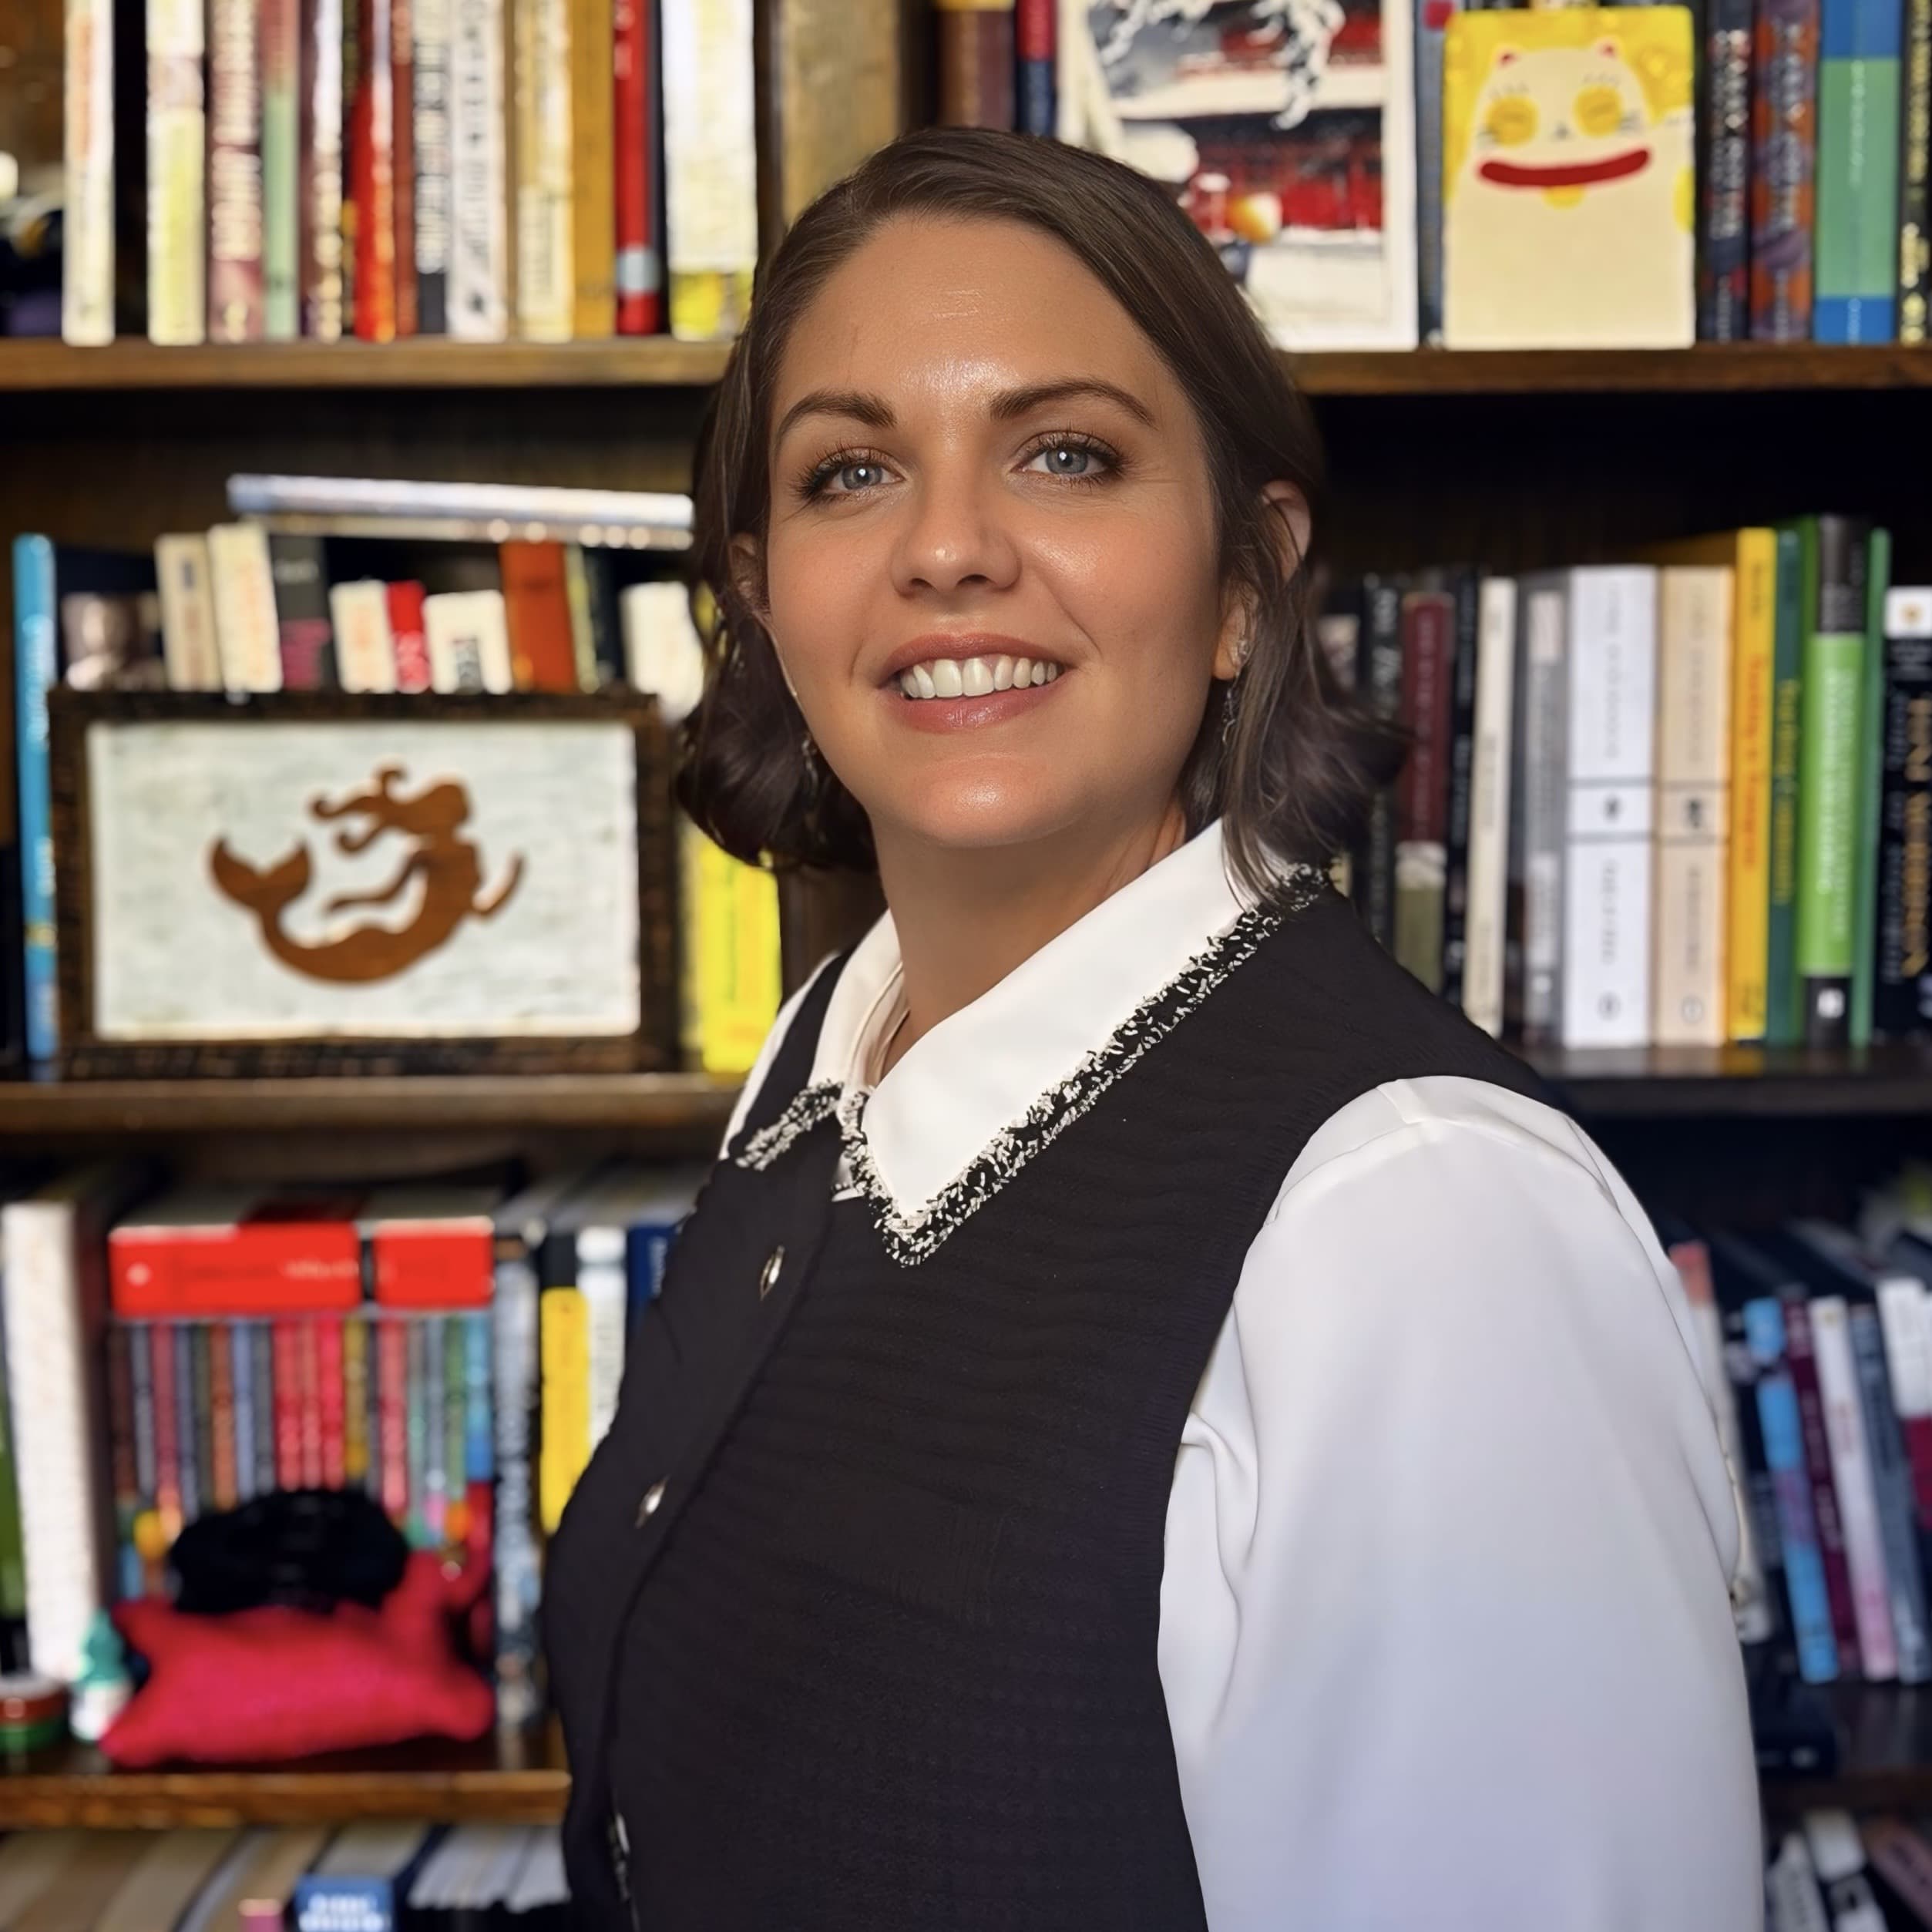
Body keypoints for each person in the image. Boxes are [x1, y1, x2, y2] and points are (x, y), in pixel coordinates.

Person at [543, 126, 1760, 1930]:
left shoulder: (1415, 1217)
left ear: (1248, 579)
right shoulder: (825, 1063)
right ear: (760, 590)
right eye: (851, 472)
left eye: (1065, 454)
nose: (949, 548)